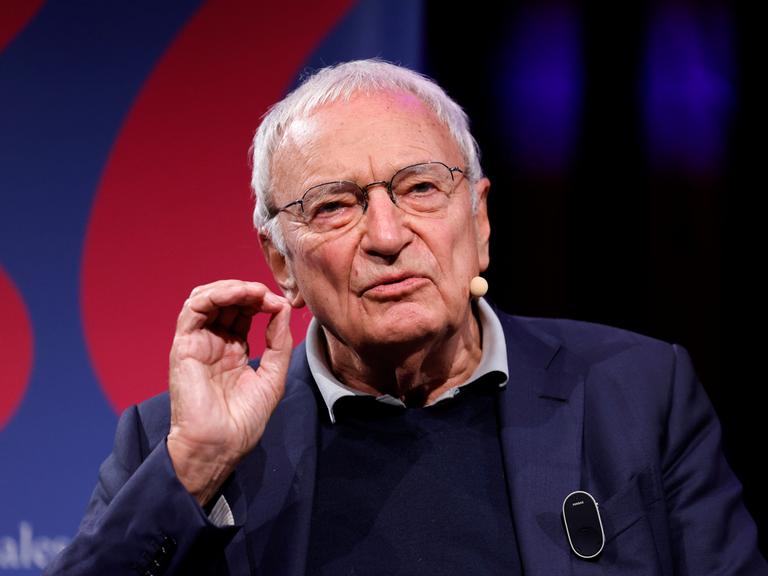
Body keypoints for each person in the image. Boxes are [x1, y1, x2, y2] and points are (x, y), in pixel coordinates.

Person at [45, 59, 766, 575]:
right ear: (281, 263)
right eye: (333, 205)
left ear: (479, 219)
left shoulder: (638, 395)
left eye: (420, 188)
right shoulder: (180, 446)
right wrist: (196, 466)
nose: (386, 237)